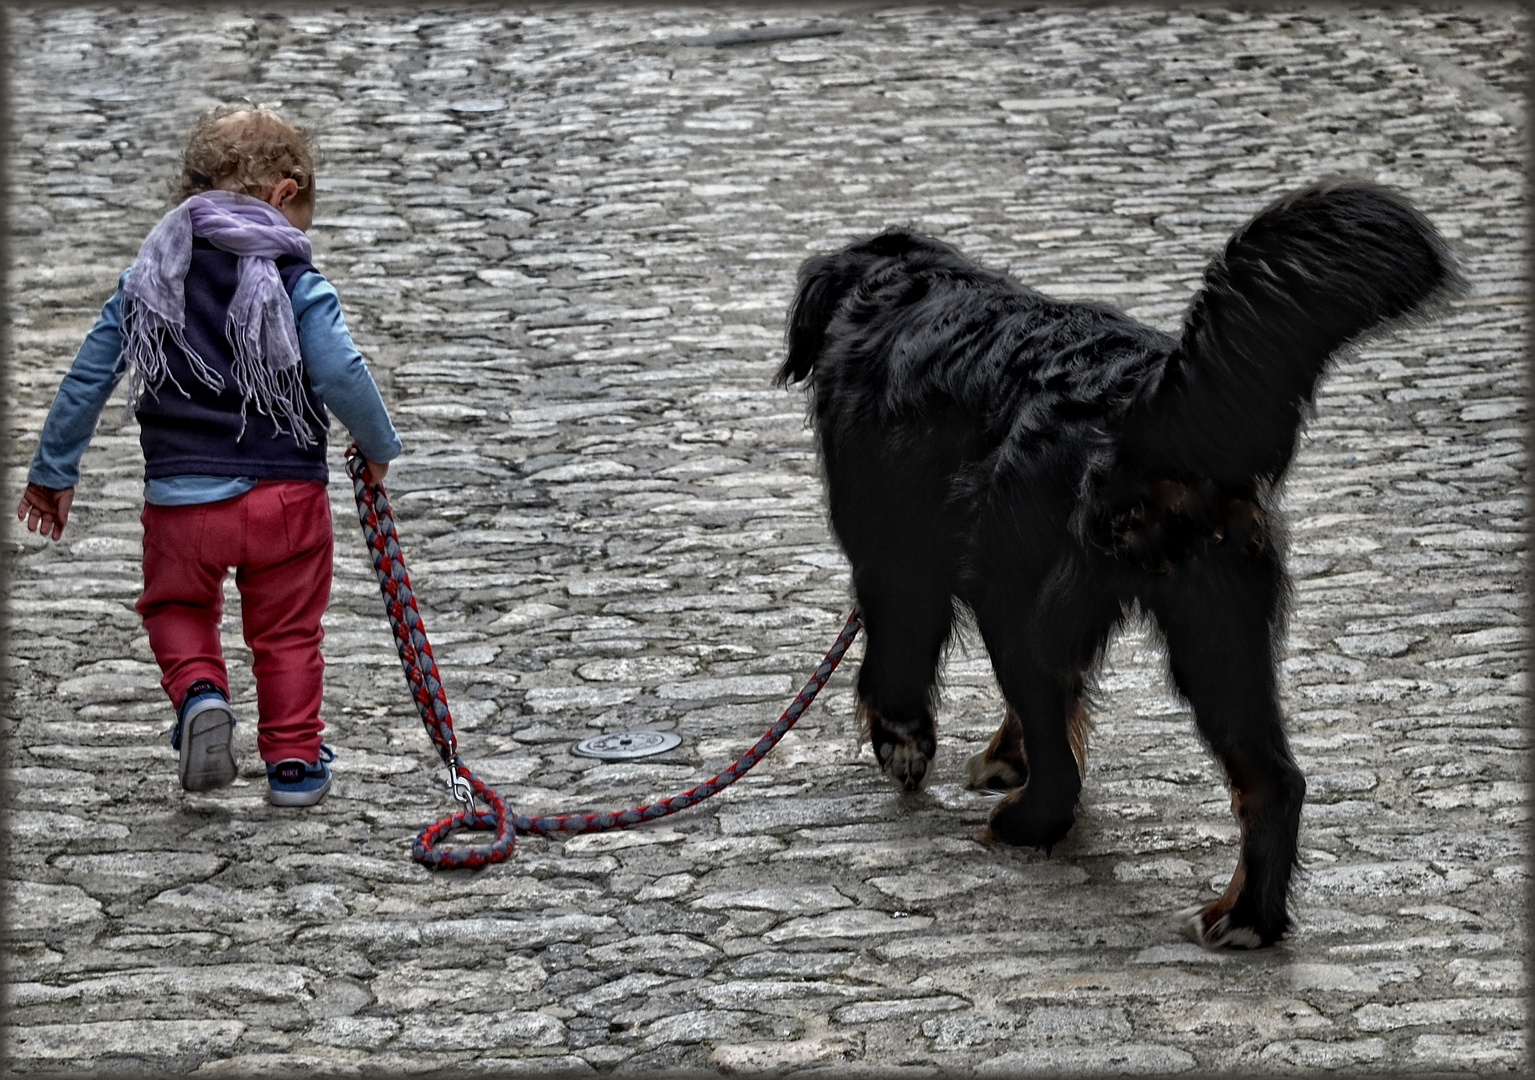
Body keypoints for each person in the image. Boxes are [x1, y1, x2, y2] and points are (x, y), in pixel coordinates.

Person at [17, 104, 400, 807]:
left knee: (176, 607)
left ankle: (199, 694)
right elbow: (340, 371)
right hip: (286, 499)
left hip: (181, 502)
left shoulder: (147, 281)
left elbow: (88, 378)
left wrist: (52, 472)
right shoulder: (294, 280)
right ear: (285, 194)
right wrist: (375, 447)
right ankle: (293, 764)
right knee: (286, 631)